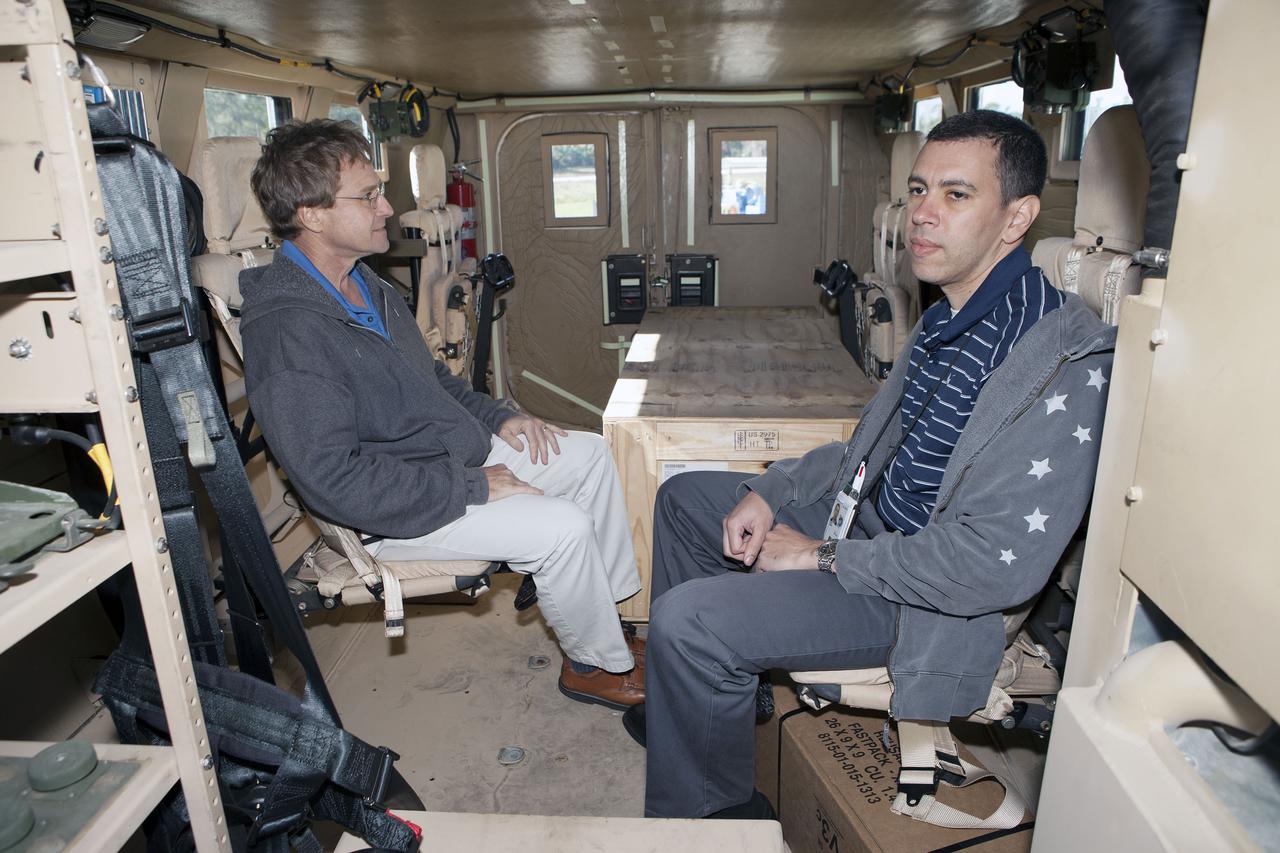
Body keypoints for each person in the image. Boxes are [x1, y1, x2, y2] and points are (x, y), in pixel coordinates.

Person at [627, 110, 1116, 819]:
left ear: (1017, 219)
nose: (922, 214)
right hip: (864, 531)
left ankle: (711, 816)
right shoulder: (951, 317)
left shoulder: (1059, 366)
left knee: (686, 621)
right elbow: (862, 451)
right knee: (685, 500)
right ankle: (701, 707)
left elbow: (991, 566)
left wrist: (821, 557)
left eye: (955, 195)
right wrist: (771, 490)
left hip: (916, 595)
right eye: (918, 191)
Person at [239, 119, 644, 710]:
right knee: (563, 527)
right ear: (312, 214)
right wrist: (473, 486)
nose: (387, 208)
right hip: (393, 509)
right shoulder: (288, 330)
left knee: (586, 453)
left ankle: (604, 617)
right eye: (369, 195)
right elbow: (333, 480)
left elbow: (430, 383)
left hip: (439, 461)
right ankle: (594, 665)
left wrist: (501, 417)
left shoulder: (366, 288)